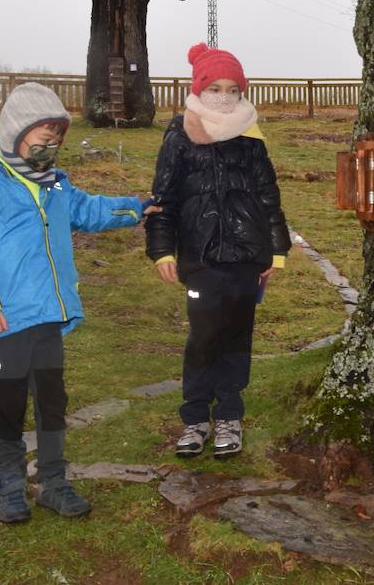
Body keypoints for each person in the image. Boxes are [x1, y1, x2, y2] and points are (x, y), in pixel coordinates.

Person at [0, 82, 151, 524]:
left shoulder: (56, 186)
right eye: (42, 139)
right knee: (9, 404)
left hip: (49, 318)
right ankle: (11, 484)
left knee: (52, 403)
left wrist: (136, 207)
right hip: (6, 320)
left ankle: (53, 484)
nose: (49, 149)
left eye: (56, 141)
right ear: (15, 134)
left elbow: (90, 210)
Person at [146, 43, 290, 459]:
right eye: (215, 89)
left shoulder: (251, 140)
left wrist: (276, 252)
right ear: (199, 90)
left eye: (233, 89)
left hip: (248, 259)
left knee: (236, 338)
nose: (224, 97)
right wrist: (162, 250)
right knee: (204, 336)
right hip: (201, 258)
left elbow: (268, 198)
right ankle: (194, 418)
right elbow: (164, 199)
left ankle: (229, 415)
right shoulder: (179, 137)